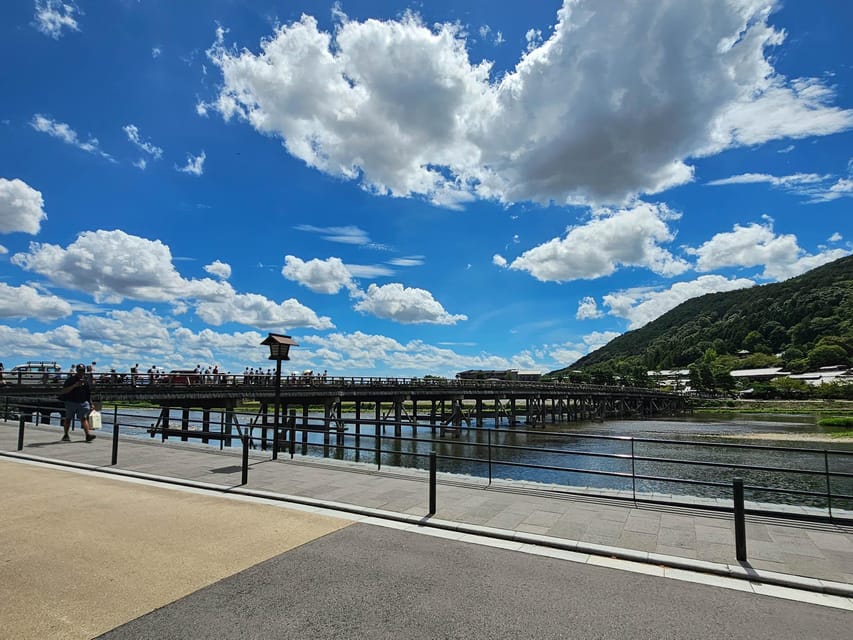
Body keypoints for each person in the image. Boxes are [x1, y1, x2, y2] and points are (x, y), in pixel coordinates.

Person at [61, 364, 96, 442]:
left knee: (83, 418)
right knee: (68, 418)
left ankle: (88, 435)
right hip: (71, 402)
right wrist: (74, 386)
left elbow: (88, 394)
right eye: (80, 370)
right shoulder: (70, 380)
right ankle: (66, 434)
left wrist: (91, 403)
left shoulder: (85, 381)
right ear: (77, 371)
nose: (81, 372)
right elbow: (63, 391)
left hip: (82, 402)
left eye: (83, 371)